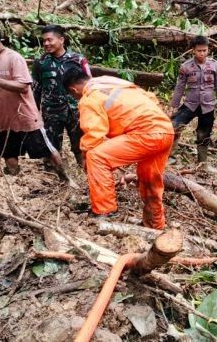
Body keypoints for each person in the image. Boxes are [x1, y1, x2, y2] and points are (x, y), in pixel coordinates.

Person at [63, 67, 174, 229]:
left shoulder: (89, 98)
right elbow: (150, 98)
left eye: (73, 95)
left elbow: (94, 134)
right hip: (165, 129)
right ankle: (155, 225)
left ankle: (104, 211)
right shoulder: (112, 81)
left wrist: (87, 159)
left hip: (145, 134)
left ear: (73, 89)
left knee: (96, 157)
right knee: (149, 179)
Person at [0, 22, 70, 180]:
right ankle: (15, 188)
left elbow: (23, 86)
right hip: (5, 119)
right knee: (9, 156)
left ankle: (65, 179)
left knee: (47, 151)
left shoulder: (13, 58)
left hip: (25, 117)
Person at [32, 25, 91, 167]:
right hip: (52, 112)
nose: (46, 43)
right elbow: (36, 90)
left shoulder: (78, 60)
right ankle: (52, 177)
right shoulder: (40, 63)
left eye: (49, 40)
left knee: (81, 146)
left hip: (76, 110)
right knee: (51, 148)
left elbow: (89, 84)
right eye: (44, 41)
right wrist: (35, 113)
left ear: (61, 40)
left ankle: (86, 173)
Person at [169, 36, 217, 167]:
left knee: (204, 134)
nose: (202, 53)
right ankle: (169, 157)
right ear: (193, 50)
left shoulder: (214, 65)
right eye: (199, 50)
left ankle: (202, 163)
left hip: (208, 106)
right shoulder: (186, 67)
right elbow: (180, 87)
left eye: (205, 50)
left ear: (208, 50)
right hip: (190, 104)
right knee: (174, 127)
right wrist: (173, 105)